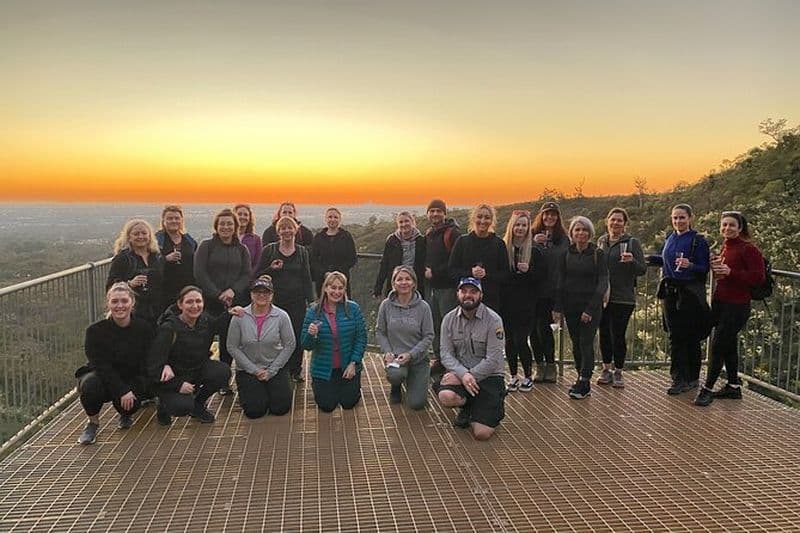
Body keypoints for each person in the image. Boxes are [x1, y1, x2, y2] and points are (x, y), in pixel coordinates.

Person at [695, 211, 765, 406]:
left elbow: (758, 277)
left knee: (718, 346)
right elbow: (725, 276)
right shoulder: (726, 247)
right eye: (724, 224)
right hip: (721, 302)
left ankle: (707, 389)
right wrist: (718, 270)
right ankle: (733, 386)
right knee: (728, 345)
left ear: (740, 228)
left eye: (731, 225)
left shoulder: (748, 249)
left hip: (737, 305)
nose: (727, 228)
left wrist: (731, 272)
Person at [76, 283, 154, 445]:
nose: (120, 306)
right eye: (115, 301)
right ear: (108, 303)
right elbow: (100, 365)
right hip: (103, 376)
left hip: (130, 376)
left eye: (124, 301)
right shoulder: (95, 331)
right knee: (90, 386)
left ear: (132, 302)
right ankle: (92, 423)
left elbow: (146, 362)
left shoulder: (144, 328)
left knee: (130, 404)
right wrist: (122, 390)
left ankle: (125, 413)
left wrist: (134, 388)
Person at [647, 204, 711, 395]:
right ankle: (678, 378)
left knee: (690, 336)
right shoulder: (670, 237)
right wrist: (647, 258)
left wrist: (690, 265)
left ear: (690, 218)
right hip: (670, 292)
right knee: (674, 336)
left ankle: (691, 378)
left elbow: (704, 268)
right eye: (675, 218)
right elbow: (666, 260)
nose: (678, 221)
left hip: (688, 293)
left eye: (682, 217)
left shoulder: (698, 241)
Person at [147, 286, 232, 425]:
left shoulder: (205, 320)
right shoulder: (168, 328)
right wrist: (178, 385)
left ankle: (198, 404)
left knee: (223, 372)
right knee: (182, 407)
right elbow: (154, 366)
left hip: (196, 369)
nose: (195, 306)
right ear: (180, 304)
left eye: (198, 301)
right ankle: (163, 404)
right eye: (189, 302)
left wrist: (230, 312)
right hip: (174, 376)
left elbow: (219, 325)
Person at [437, 277, 506, 440]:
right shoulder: (449, 319)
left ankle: (494, 404)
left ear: (481, 295)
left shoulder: (494, 320)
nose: (468, 295)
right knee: (446, 396)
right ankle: (468, 407)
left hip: (489, 377)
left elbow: (493, 358)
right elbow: (445, 354)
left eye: (473, 292)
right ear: (458, 294)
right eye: (464, 291)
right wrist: (463, 374)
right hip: (462, 374)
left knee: (482, 434)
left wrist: (467, 376)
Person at [194, 208, 252, 392]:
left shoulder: (242, 249)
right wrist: (218, 294)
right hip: (209, 304)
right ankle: (196, 380)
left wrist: (233, 291)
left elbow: (247, 274)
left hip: (234, 303)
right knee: (203, 342)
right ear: (216, 226)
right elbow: (199, 273)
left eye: (229, 224)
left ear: (235, 227)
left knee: (229, 342)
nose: (226, 227)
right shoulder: (206, 246)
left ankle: (223, 382)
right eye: (222, 224)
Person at [552, 216, 609, 400]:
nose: (581, 233)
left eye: (584, 230)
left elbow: (603, 282)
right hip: (571, 306)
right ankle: (580, 377)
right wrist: (558, 307)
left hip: (590, 306)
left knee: (586, 342)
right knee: (576, 343)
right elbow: (561, 281)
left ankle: (585, 380)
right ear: (572, 233)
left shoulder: (597, 254)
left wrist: (590, 309)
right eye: (577, 229)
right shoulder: (566, 254)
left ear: (590, 233)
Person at [255, 216, 315, 382]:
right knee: (276, 337)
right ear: (278, 231)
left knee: (296, 335)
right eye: (283, 228)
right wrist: (271, 268)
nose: (286, 231)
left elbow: (306, 277)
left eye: (290, 228)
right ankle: (278, 368)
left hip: (297, 301)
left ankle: (296, 370)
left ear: (295, 230)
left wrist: (311, 300)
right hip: (275, 302)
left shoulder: (302, 252)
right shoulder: (270, 250)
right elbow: (257, 275)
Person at [227, 276, 296, 418]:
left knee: (280, 408)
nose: (261, 295)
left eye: (266, 292)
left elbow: (290, 344)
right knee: (254, 411)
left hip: (274, 367)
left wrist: (271, 370)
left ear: (272, 295)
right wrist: (254, 370)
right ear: (251, 294)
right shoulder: (239, 316)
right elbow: (232, 346)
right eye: (257, 292)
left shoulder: (282, 316)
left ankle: (276, 389)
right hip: (248, 369)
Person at [301, 271, 367, 412]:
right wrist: (311, 335)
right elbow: (306, 345)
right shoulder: (313, 310)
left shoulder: (353, 308)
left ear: (344, 290)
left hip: (347, 367)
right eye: (333, 287)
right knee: (327, 405)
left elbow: (361, 338)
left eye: (340, 288)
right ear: (326, 288)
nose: (336, 292)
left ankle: (351, 388)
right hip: (323, 369)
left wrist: (353, 363)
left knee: (348, 403)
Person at [596, 208, 647, 388]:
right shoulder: (601, 241)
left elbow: (642, 269)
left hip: (623, 297)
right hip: (603, 296)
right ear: (607, 221)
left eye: (619, 220)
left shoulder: (632, 243)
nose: (615, 223)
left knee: (617, 334)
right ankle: (606, 369)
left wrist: (632, 261)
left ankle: (618, 371)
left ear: (625, 224)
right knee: (604, 333)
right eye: (613, 219)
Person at [376, 266, 434, 409]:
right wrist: (387, 351)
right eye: (399, 279)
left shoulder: (424, 307)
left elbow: (429, 336)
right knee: (395, 375)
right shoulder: (386, 305)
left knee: (417, 404)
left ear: (414, 283)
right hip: (396, 359)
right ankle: (396, 385)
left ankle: (414, 381)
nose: (403, 282)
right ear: (393, 283)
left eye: (408, 279)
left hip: (418, 359)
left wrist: (411, 354)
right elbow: (380, 332)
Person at [500, 210, 545, 393]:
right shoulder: (503, 249)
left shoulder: (534, 251)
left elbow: (541, 278)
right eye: (517, 224)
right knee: (509, 340)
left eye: (524, 225)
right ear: (511, 227)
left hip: (526, 304)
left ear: (528, 228)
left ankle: (527, 375)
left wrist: (529, 271)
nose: (520, 228)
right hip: (506, 303)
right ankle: (512, 376)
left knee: (521, 340)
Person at [529, 201, 569, 383]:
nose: (549, 217)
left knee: (543, 329)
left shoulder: (563, 239)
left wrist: (560, 301)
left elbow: (565, 266)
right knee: (532, 330)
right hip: (532, 291)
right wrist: (532, 242)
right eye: (546, 214)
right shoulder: (532, 234)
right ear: (541, 216)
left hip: (551, 292)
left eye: (553, 214)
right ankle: (539, 365)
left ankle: (551, 365)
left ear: (558, 217)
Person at [423, 199, 461, 377]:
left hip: (448, 288)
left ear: (445, 214)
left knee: (449, 327)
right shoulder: (429, 234)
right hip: (432, 288)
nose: (435, 214)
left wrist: (435, 273)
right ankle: (440, 359)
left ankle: (451, 362)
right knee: (435, 325)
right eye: (432, 211)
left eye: (439, 211)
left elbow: (456, 260)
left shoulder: (452, 233)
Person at [448, 204, 509, 312]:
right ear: (473, 219)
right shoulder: (462, 242)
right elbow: (452, 270)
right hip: (466, 301)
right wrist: (470, 273)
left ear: (492, 221)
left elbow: (505, 274)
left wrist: (486, 274)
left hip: (490, 302)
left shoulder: (499, 244)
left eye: (487, 217)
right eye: (479, 217)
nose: (483, 221)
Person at [107, 219, 165, 326]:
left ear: (150, 236)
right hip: (134, 312)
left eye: (144, 233)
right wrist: (129, 284)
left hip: (157, 311)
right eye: (136, 234)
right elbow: (110, 286)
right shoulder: (123, 258)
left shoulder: (157, 256)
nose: (140, 236)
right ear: (129, 237)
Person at [374, 211, 426, 298]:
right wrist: (378, 287)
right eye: (401, 222)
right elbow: (384, 264)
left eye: (406, 221)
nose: (404, 224)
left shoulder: (421, 241)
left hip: (415, 284)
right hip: (396, 283)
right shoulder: (392, 240)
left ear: (412, 222)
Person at [155, 205, 197, 308]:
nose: (174, 221)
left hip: (187, 289)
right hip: (164, 291)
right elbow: (148, 262)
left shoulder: (189, 240)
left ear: (181, 220)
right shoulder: (156, 240)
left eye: (177, 218)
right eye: (170, 218)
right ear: (163, 221)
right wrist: (165, 259)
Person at [310, 207, 357, 297]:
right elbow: (313, 260)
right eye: (330, 217)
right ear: (326, 219)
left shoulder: (346, 237)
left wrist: (337, 273)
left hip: (342, 280)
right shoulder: (318, 237)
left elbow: (352, 259)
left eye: (335, 217)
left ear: (340, 219)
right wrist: (325, 273)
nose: (332, 219)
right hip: (323, 281)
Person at [234, 203, 263, 271]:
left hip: (249, 275)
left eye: (246, 215)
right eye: (239, 214)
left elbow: (258, 263)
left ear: (249, 218)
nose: (242, 217)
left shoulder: (256, 240)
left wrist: (249, 275)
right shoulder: (227, 238)